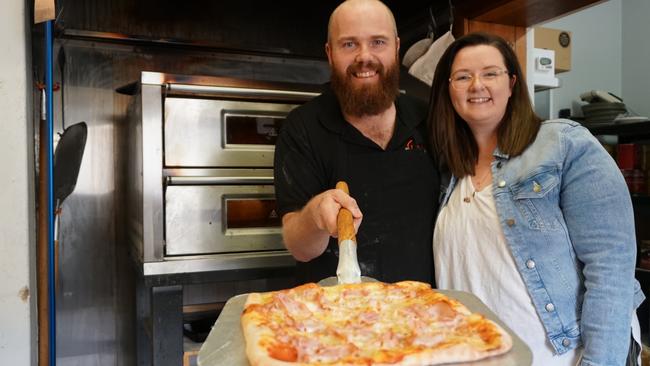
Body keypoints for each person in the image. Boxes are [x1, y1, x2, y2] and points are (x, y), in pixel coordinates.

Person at [428, 31, 645, 365]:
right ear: (448, 90)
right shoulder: (448, 173)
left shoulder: (563, 144)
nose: (477, 85)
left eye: (490, 73)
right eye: (462, 76)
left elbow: (610, 266)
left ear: (512, 83)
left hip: (563, 357)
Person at [273, 0, 439, 285]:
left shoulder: (430, 119)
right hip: (337, 316)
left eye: (378, 42)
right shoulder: (302, 128)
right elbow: (300, 248)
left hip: (421, 311)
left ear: (397, 48)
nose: (365, 56)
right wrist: (315, 215)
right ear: (330, 53)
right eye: (349, 44)